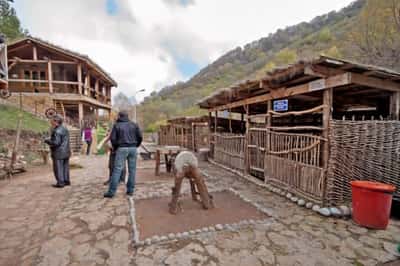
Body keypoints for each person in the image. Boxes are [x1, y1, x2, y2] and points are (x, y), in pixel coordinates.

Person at [104, 111, 142, 198]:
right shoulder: (134, 125)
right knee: (132, 170)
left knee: (117, 170)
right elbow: (140, 137)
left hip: (121, 148)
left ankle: (111, 192)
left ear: (119, 116)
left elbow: (113, 139)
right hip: (133, 149)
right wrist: (136, 145)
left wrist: (116, 147)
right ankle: (130, 191)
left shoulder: (117, 125)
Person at [45, 115, 71, 188]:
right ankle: (66, 181)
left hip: (58, 152)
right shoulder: (65, 129)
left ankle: (60, 183)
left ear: (56, 122)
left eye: (52, 121)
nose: (51, 122)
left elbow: (56, 143)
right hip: (66, 151)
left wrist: (47, 140)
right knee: (65, 167)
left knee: (58, 168)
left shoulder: (56, 131)